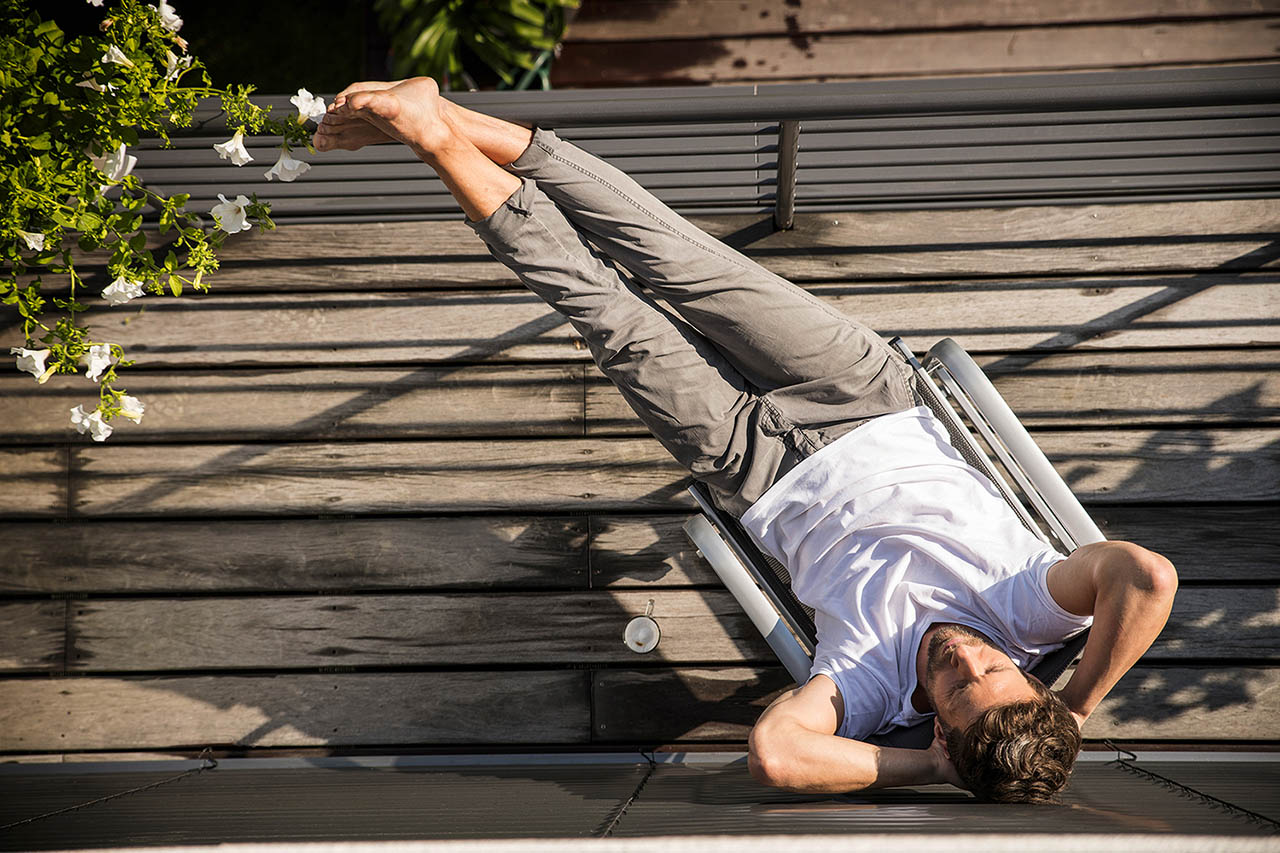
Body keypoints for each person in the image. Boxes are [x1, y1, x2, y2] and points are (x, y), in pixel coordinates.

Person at [314, 78, 1179, 803]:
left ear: (939, 724)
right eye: (994, 668)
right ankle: (448, 118)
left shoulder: (876, 694)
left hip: (753, 466)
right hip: (865, 395)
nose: (965, 655)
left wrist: (917, 767)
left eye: (957, 686)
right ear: (1026, 674)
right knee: (678, 258)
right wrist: (1078, 702)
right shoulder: (1023, 613)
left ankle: (437, 137)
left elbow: (777, 752)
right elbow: (1145, 574)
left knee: (605, 311)